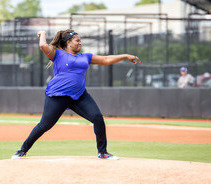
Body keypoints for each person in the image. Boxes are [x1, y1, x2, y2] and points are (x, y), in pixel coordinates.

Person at [11, 29, 141, 160]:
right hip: (58, 95)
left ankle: (102, 152)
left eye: (80, 41)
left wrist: (125, 56)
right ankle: (22, 150)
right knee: (45, 125)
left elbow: (106, 59)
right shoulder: (57, 54)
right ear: (68, 43)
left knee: (97, 118)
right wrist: (42, 34)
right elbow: (43, 46)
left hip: (79, 96)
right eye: (77, 40)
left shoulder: (85, 57)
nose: (80, 43)